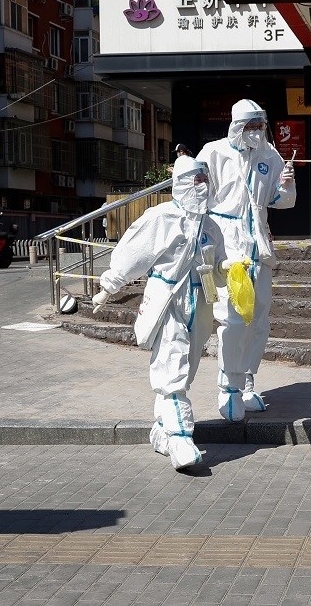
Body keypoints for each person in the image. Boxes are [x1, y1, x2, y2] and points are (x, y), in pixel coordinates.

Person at [91, 155, 226, 471]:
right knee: (171, 367)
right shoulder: (160, 218)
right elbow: (132, 254)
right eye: (196, 179)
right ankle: (181, 439)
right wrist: (109, 286)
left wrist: (228, 269)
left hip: (200, 301)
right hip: (167, 300)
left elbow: (218, 263)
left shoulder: (211, 224)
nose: (202, 185)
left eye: (205, 179)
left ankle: (162, 433)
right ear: (181, 183)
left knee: (186, 368)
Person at [195, 99, 296, 422]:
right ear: (236, 126)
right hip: (226, 248)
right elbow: (192, 196)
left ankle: (247, 380)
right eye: (249, 126)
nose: (255, 132)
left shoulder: (270, 156)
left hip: (258, 247)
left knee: (259, 319)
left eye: (260, 125)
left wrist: (287, 184)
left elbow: (282, 202)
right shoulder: (213, 153)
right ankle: (228, 388)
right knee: (234, 318)